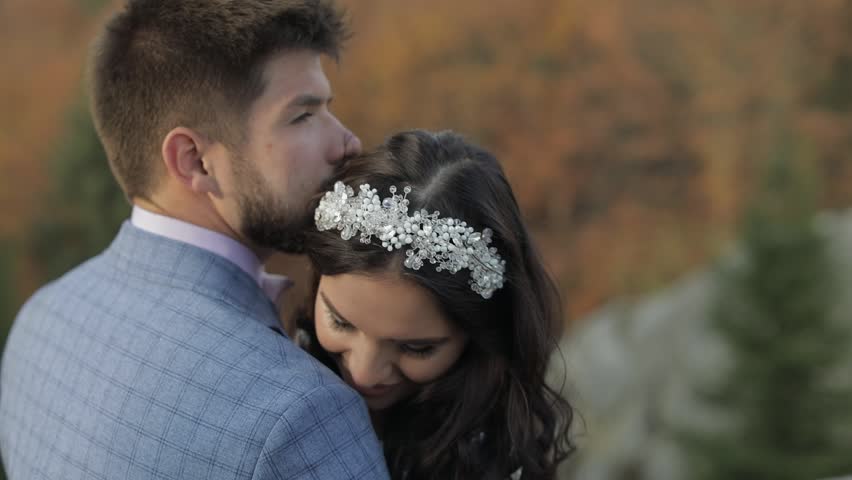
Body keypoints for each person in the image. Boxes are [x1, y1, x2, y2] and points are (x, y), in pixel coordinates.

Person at [0, 1, 389, 479]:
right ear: (194, 161)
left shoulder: (40, 318)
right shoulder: (300, 414)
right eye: (302, 116)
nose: (347, 142)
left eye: (327, 108)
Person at [294, 129, 576, 480]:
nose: (365, 372)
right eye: (340, 322)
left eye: (416, 348)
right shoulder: (271, 370)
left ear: (479, 335)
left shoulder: (491, 454)